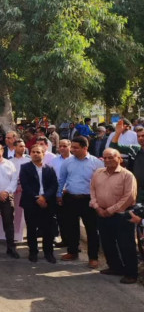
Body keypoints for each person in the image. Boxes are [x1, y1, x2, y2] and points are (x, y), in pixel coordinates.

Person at [90, 148, 138, 284]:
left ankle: (131, 273)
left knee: (126, 245)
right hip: (101, 213)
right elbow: (92, 191)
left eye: (111, 157)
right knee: (107, 243)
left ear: (120, 159)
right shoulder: (98, 173)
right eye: (105, 158)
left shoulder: (127, 175)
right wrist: (97, 207)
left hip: (121, 215)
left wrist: (110, 210)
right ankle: (115, 267)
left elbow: (128, 197)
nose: (107, 160)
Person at [57, 136, 103, 268]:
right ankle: (72, 251)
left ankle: (93, 257)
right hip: (70, 198)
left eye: (76, 148)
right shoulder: (68, 162)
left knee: (92, 230)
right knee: (71, 227)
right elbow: (62, 179)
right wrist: (59, 195)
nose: (73, 150)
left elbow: (100, 183)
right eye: (72, 147)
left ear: (85, 148)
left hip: (89, 200)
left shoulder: (96, 163)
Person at [19, 145, 58, 264]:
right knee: (31, 229)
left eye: (38, 152)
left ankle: (48, 252)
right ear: (30, 154)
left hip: (47, 203)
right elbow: (25, 185)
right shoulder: (25, 168)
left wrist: (45, 197)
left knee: (48, 229)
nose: (35, 154)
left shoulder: (49, 169)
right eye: (33, 152)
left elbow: (54, 185)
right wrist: (37, 198)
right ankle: (33, 252)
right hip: (31, 202)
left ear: (43, 154)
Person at [109, 119, 144, 203]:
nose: (140, 138)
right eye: (138, 136)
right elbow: (113, 147)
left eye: (143, 136)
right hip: (137, 189)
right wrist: (118, 133)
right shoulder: (134, 149)